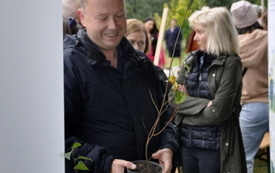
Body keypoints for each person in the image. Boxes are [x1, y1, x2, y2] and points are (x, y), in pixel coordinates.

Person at [63, 0, 178, 173]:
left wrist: (168, 147)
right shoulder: (68, 67)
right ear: (82, 18)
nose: (113, 25)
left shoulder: (142, 64)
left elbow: (165, 115)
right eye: (102, 18)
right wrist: (106, 165)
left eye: (119, 15)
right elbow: (58, 141)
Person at [169, 7, 247, 173]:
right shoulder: (192, 59)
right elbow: (172, 99)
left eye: (200, 32)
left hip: (213, 148)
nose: (195, 38)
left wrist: (184, 111)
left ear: (216, 33)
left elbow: (218, 112)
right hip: (186, 144)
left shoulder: (231, 64)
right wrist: (205, 104)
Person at [230, 1, 269, 173]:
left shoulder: (232, 44)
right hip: (271, 101)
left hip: (250, 106)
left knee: (243, 159)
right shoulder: (269, 37)